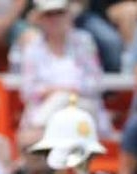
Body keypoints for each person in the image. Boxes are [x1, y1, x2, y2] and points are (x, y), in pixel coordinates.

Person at [20, 0, 111, 136]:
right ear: (41, 19)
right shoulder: (33, 48)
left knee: (62, 99)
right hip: (45, 108)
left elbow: (96, 82)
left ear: (68, 15)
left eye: (59, 13)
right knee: (59, 100)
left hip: (82, 106)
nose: (55, 19)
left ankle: (38, 128)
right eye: (49, 14)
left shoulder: (84, 41)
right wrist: (56, 92)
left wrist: (68, 92)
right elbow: (28, 91)